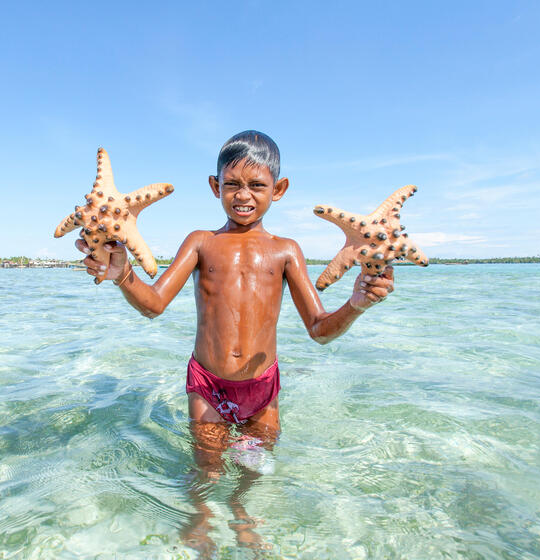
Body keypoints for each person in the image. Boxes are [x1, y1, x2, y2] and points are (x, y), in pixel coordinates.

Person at [75, 130, 394, 553]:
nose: (243, 195)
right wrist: (122, 274)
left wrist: (355, 304)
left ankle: (242, 511)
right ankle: (201, 514)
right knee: (207, 467)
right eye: (232, 185)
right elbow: (153, 305)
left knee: (253, 467)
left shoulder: (286, 251)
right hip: (207, 382)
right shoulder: (201, 242)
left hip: (262, 388)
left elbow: (318, 329)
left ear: (278, 190)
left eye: (257, 185)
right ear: (215, 187)